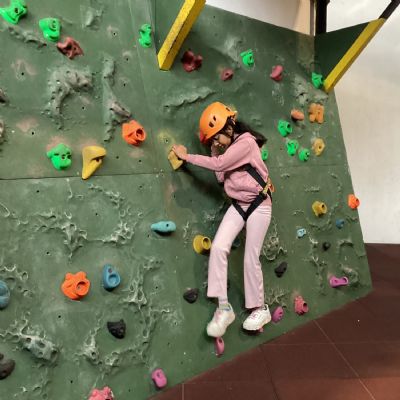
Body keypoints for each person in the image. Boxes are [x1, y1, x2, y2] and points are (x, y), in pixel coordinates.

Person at [172, 102, 273, 337]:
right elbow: (220, 176)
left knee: (250, 257)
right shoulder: (225, 148)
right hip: (239, 204)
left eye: (217, 137)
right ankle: (224, 308)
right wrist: (214, 148)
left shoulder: (246, 143)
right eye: (213, 139)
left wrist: (187, 157)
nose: (216, 142)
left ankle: (260, 309)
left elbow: (220, 165)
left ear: (229, 127)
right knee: (218, 248)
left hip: (259, 204)